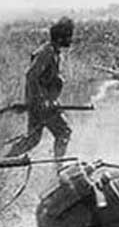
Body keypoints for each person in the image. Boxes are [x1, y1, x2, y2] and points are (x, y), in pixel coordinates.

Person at [6, 17, 75, 158]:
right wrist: (42, 100)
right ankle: (58, 169)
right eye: (69, 36)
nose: (71, 39)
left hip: (42, 103)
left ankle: (4, 161)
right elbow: (31, 75)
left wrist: (50, 99)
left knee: (33, 139)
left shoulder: (53, 52)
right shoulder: (47, 52)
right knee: (63, 132)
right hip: (41, 105)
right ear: (61, 38)